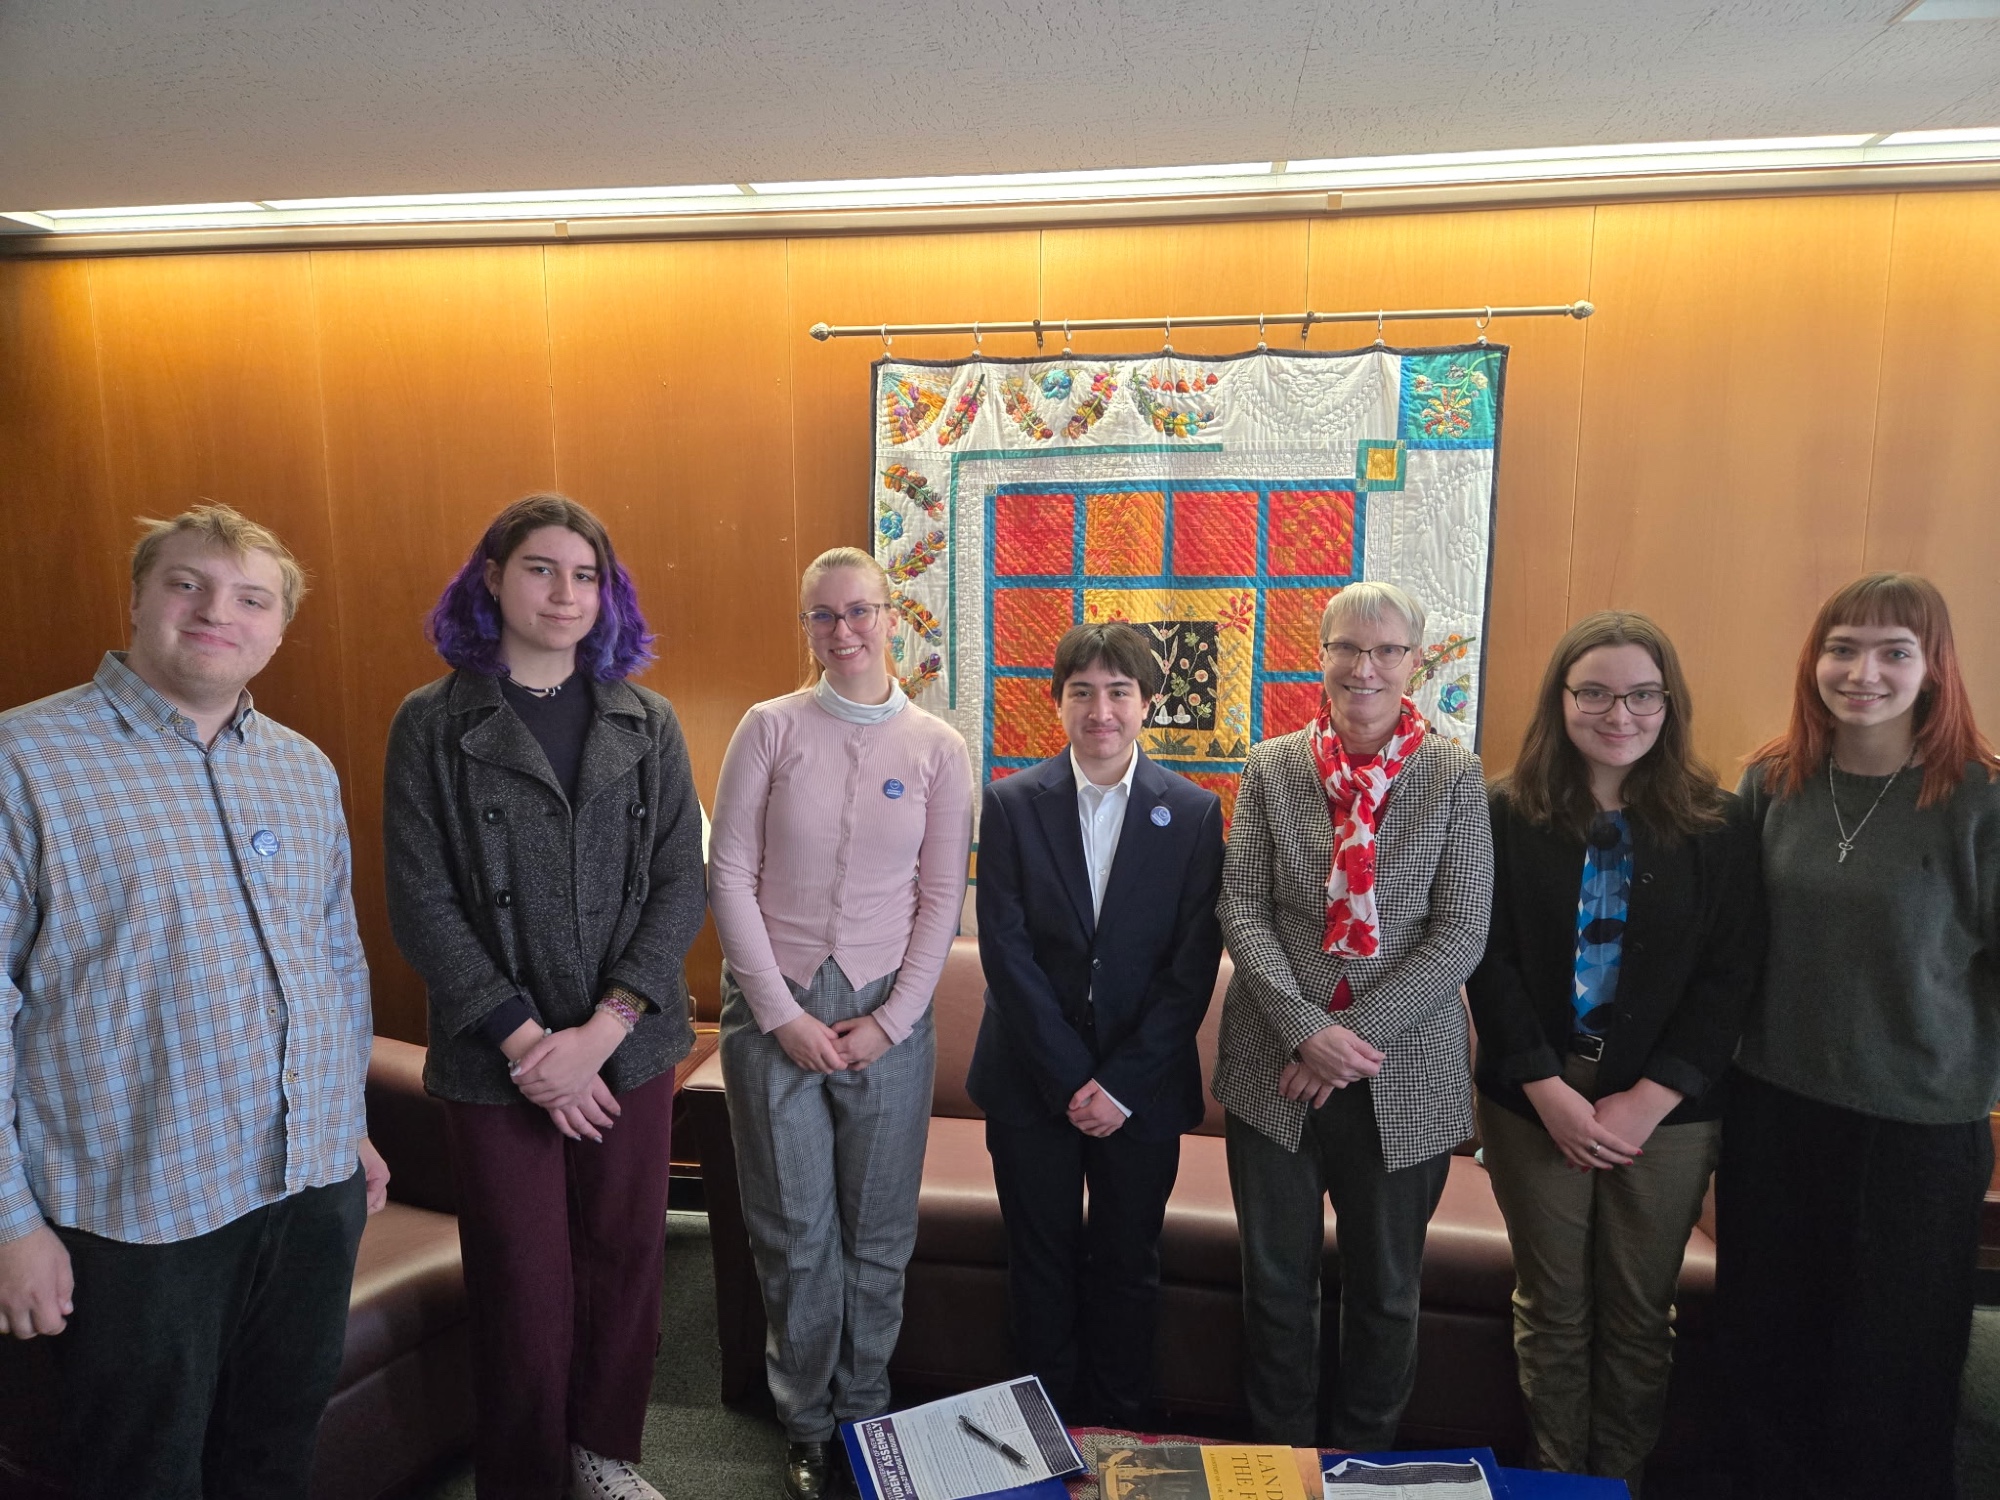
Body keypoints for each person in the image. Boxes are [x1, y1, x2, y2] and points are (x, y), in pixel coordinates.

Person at [0, 504, 388, 1498]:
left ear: (279, 629)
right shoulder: (22, 761)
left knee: (272, 1456)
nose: (219, 611)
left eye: (252, 598)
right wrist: (9, 1225)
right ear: (137, 599)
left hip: (310, 1190)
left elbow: (335, 961)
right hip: (133, 1216)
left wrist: (346, 1127)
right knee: (140, 1476)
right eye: (188, 584)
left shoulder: (301, 767)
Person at [383, 493, 706, 1500]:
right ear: (491, 578)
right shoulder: (431, 724)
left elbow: (679, 885)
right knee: (520, 1276)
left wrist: (603, 1030)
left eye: (585, 575)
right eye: (540, 568)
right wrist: (532, 1046)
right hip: (496, 1057)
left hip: (628, 1048)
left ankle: (603, 1451)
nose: (565, 593)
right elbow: (421, 902)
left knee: (625, 1258)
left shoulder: (646, 720)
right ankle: (524, 1476)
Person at [1719, 572, 2000, 1500]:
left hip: (1918, 1131)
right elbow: (1733, 950)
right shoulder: (1772, 782)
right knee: (1768, 1350)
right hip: (1774, 1109)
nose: (1863, 672)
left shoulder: (1980, 800)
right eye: (1843, 648)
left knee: (1894, 1369)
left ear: (1934, 667)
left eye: (1894, 652)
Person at [1466, 612, 1762, 1493]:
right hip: (1534, 1100)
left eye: (1641, 695)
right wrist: (1545, 1086)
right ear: (1560, 699)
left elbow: (1732, 975)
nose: (1618, 714)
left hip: (1667, 1112)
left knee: (1639, 1314)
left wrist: (1651, 1098)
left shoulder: (1719, 823)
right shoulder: (1505, 811)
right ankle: (1559, 1481)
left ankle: (1619, 1479)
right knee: (1552, 1307)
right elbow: (1486, 957)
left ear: (1669, 703)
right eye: (1593, 692)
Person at [709, 546, 972, 1500]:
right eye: (822, 615)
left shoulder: (938, 747)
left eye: (859, 610)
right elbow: (728, 873)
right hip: (772, 1014)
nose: (843, 630)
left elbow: (941, 897)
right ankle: (807, 1425)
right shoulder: (769, 728)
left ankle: (864, 1411)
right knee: (794, 1233)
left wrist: (892, 1022)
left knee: (877, 1234)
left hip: (885, 1019)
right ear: (807, 627)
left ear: (891, 616)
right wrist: (780, 1015)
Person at [1214, 579, 1493, 1449]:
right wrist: (1305, 1030)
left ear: (1416, 662)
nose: (1364, 667)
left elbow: (1462, 930)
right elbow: (1241, 908)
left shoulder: (1454, 774)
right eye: (1347, 648)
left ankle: (1363, 1462)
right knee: (1275, 1287)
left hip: (1403, 1074)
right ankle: (1283, 1458)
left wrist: (1349, 1041)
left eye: (1386, 650)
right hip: (1273, 1068)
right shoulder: (1271, 766)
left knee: (1385, 1292)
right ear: (1322, 655)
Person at [969, 621, 1226, 1429]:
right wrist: (1068, 1076)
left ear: (1148, 703)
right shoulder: (1011, 803)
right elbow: (1004, 950)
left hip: (1141, 1092)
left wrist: (1117, 1085)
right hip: (1028, 1082)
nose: (1101, 710)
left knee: (1127, 1265)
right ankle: (1040, 1437)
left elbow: (1190, 968)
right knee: (1038, 1265)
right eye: (1081, 692)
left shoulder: (1194, 813)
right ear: (1058, 702)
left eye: (1119, 691)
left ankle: (1118, 1432)